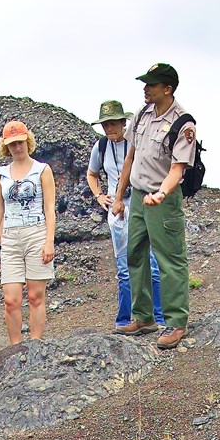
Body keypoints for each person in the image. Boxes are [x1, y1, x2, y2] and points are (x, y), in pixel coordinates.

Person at [113, 63, 195, 349]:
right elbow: (130, 156)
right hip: (138, 196)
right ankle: (143, 316)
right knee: (135, 253)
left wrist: (161, 193)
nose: (145, 88)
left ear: (167, 89)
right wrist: (119, 196)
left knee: (169, 259)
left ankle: (175, 321)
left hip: (163, 199)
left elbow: (178, 168)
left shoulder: (182, 123)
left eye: (151, 84)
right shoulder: (142, 114)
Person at [86, 100, 164, 331]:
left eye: (113, 123)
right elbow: (92, 174)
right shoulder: (100, 147)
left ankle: (157, 316)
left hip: (139, 206)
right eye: (105, 125)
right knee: (124, 267)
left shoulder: (136, 143)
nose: (109, 129)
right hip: (116, 212)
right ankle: (124, 318)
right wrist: (99, 195)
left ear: (123, 122)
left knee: (151, 263)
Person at [0, 121, 55, 344]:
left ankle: (35, 343)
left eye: (20, 142)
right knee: (11, 299)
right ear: (6, 147)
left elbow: (49, 208)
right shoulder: (1, 174)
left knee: (36, 296)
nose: (17, 147)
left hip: (36, 232)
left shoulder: (42, 170)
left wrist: (49, 241)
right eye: (12, 144)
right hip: (10, 236)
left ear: (28, 141)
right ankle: (15, 347)